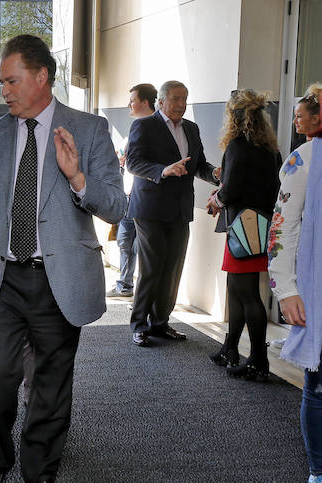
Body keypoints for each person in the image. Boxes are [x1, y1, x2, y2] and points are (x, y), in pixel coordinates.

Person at [0, 35, 126, 483]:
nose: (4, 90)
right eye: (2, 82)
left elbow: (116, 206)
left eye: (11, 80)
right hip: (3, 278)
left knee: (51, 382)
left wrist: (78, 179)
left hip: (59, 280)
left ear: (41, 76)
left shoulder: (88, 130)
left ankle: (41, 472)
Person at [126, 80, 219, 347]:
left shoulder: (191, 128)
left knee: (173, 267)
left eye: (185, 99)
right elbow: (133, 162)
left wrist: (214, 174)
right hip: (150, 209)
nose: (182, 104)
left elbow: (197, 164)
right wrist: (163, 170)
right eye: (177, 99)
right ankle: (139, 324)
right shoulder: (143, 125)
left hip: (179, 210)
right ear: (162, 101)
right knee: (152, 267)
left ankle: (160, 323)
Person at [268, 109, 322, 483]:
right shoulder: (305, 159)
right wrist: (285, 289)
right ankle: (318, 474)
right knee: (319, 386)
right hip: (316, 289)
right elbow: (281, 226)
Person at [206, 90, 281, 379]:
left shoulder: (238, 145)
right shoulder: (270, 149)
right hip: (260, 227)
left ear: (234, 117)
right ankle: (231, 348)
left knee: (247, 294)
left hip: (241, 228)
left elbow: (232, 188)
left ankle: (258, 362)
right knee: (237, 290)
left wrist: (216, 199)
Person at [108, 83, 157, 298]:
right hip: (129, 197)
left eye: (132, 100)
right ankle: (125, 285)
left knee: (142, 246)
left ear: (145, 102)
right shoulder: (133, 132)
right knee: (124, 241)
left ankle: (143, 294)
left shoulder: (158, 131)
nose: (129, 104)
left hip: (146, 200)